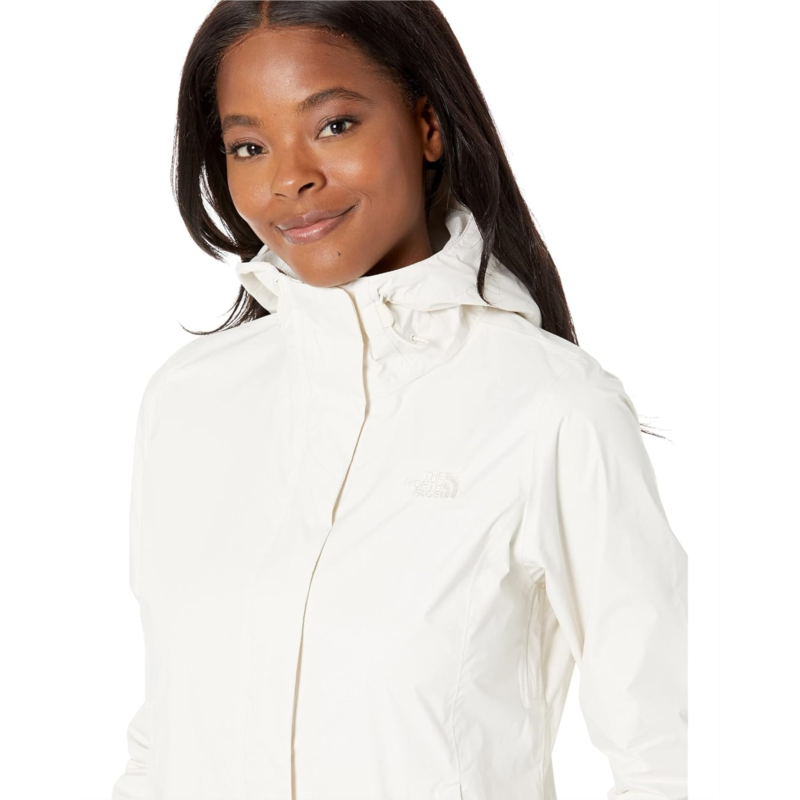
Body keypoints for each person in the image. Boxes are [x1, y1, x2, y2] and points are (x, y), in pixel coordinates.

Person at [110, 1, 689, 799]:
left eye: (334, 125)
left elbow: (668, 754)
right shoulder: (189, 401)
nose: (289, 178)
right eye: (249, 145)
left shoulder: (553, 407)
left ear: (428, 125)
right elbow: (162, 739)